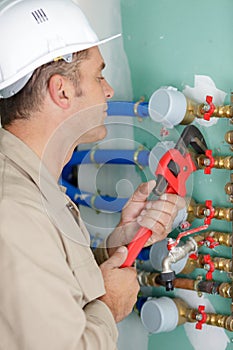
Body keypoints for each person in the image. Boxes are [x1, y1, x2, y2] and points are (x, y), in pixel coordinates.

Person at [0, 1, 186, 349]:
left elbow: (50, 290)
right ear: (63, 91)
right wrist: (109, 306)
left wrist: (122, 239)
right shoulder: (15, 210)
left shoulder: (29, 186)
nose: (109, 90)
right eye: (99, 75)